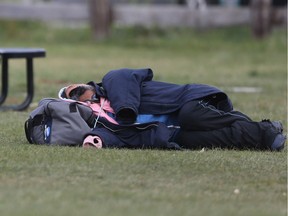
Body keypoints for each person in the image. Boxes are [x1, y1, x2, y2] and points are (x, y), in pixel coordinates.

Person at [58, 68, 286, 151]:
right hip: (173, 134)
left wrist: (124, 109)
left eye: (76, 89)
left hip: (191, 100)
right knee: (216, 139)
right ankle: (265, 132)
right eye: (74, 98)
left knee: (189, 116)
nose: (79, 94)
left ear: (84, 83)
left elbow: (126, 92)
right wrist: (94, 139)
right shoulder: (100, 120)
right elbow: (116, 136)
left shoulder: (112, 80)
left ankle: (251, 123)